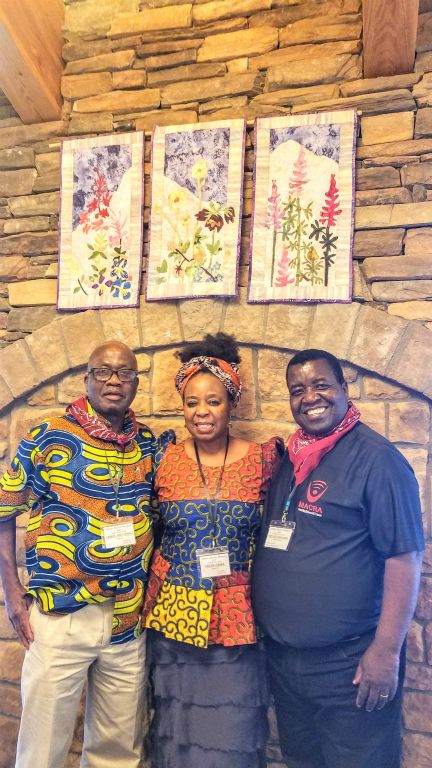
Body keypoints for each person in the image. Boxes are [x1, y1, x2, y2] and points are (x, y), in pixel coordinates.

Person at [252, 348, 425, 768]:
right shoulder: (292, 458)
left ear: (344, 390)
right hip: (288, 664)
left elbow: (404, 558)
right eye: (298, 390)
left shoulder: (378, 461)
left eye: (321, 385)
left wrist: (385, 653)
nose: (310, 396)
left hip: (350, 666)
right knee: (301, 760)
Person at [0, 341, 156, 768]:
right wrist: (11, 591)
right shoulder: (49, 435)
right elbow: (4, 508)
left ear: (135, 384)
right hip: (61, 615)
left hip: (127, 617)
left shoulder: (145, 442)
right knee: (42, 750)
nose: (113, 381)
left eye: (124, 373)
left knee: (118, 750)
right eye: (103, 371)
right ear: (86, 378)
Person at [143, 332, 281, 768]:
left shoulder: (265, 460)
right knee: (177, 732)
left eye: (214, 401)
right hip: (173, 617)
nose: (201, 412)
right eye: (191, 402)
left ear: (232, 403)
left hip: (238, 621)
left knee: (230, 733)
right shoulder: (163, 458)